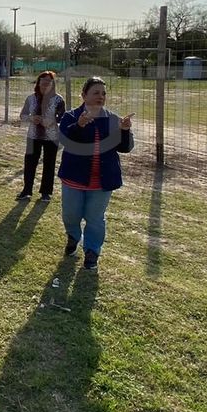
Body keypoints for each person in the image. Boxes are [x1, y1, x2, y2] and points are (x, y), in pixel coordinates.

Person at [58, 76, 135, 272]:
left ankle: (92, 252)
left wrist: (125, 131)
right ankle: (73, 236)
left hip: (101, 181)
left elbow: (125, 148)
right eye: (96, 93)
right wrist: (80, 125)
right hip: (73, 178)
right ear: (84, 95)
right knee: (71, 215)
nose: (101, 96)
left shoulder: (113, 119)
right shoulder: (70, 116)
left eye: (103, 93)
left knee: (95, 218)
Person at [17, 70, 66, 201]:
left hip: (52, 136)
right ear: (38, 83)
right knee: (29, 163)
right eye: (42, 81)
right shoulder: (31, 99)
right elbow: (22, 115)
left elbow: (63, 119)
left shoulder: (59, 100)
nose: (45, 84)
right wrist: (31, 118)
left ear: (53, 84)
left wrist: (53, 121)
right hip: (33, 136)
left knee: (49, 164)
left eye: (49, 82)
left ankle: (46, 192)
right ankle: (26, 191)